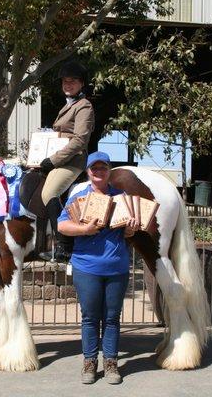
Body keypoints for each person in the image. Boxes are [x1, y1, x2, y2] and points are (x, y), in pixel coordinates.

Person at [57, 151, 139, 384]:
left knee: (112, 318)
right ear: (88, 172)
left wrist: (131, 228)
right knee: (90, 317)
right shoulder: (79, 196)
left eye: (103, 168)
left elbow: (128, 232)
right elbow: (62, 225)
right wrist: (83, 230)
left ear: (109, 171)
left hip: (116, 267)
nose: (98, 172)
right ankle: (90, 362)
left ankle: (111, 363)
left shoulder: (122, 197)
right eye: (94, 168)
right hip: (87, 267)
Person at [39, 61, 95, 262]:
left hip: (72, 161)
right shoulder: (68, 105)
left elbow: (80, 140)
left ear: (82, 83)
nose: (67, 84)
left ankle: (64, 245)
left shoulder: (84, 106)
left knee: (49, 192)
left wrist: (53, 160)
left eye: (72, 81)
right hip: (59, 160)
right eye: (64, 81)